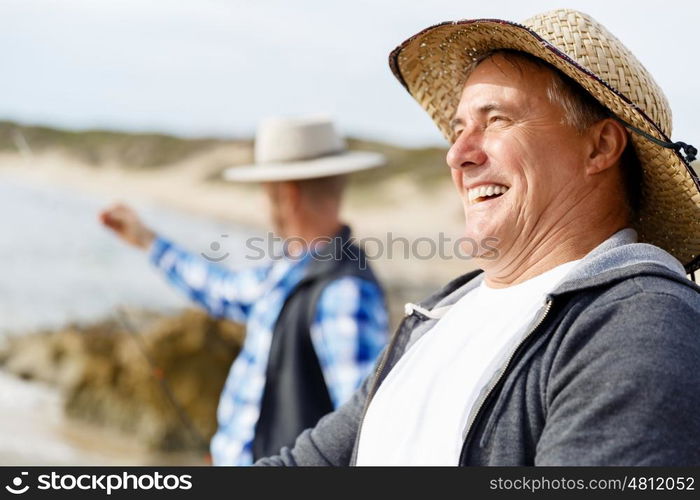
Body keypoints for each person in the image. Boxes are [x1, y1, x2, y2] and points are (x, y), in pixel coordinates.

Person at [255, 9, 700, 466]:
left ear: (600, 147)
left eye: (497, 120)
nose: (458, 155)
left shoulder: (638, 322)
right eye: (458, 129)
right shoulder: (441, 313)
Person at [99, 116, 390, 465]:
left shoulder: (343, 293)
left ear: (287, 196)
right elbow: (222, 290)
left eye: (265, 194)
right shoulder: (288, 270)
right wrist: (147, 241)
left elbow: (367, 429)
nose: (262, 206)